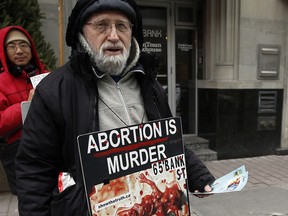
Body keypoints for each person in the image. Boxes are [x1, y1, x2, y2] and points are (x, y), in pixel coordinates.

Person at [15, 0, 215, 215]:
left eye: (122, 26)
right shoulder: (54, 91)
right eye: (101, 25)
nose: (113, 36)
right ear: (80, 33)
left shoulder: (150, 85)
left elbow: (169, 142)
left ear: (132, 33)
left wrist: (196, 173)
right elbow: (34, 169)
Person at [0, 26, 48, 195]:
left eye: (23, 45)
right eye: (12, 46)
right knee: (32, 203)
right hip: (21, 154)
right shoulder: (1, 82)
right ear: (4, 51)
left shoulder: (47, 76)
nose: (19, 50)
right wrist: (27, 104)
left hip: (52, 148)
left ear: (31, 48)